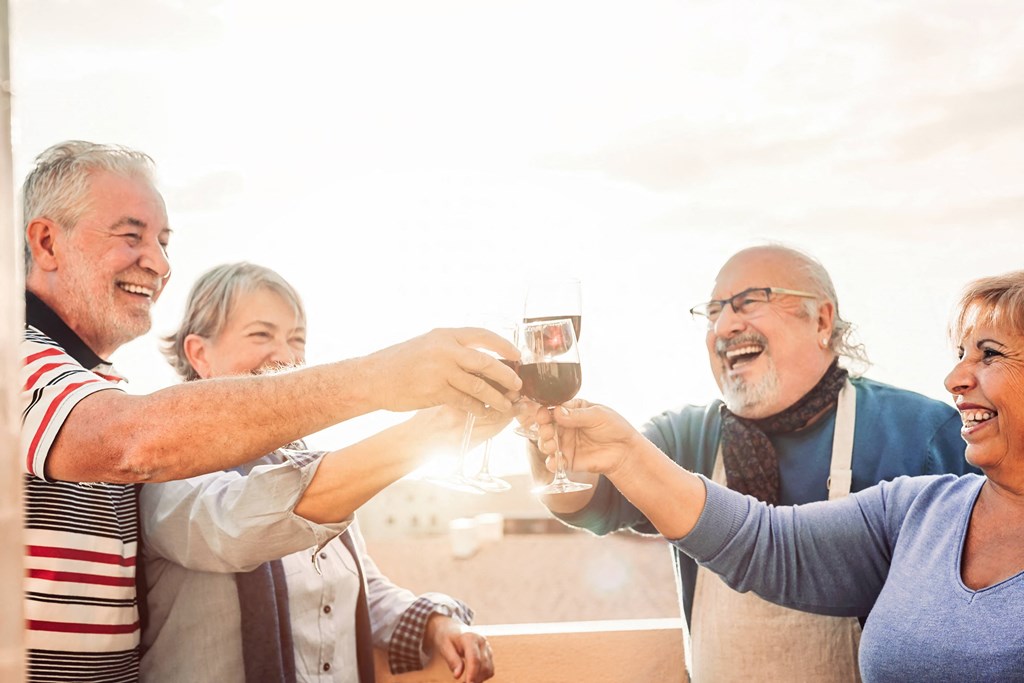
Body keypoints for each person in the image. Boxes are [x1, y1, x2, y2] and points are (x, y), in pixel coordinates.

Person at [20, 141, 519, 681]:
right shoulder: (18, 362)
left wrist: (434, 621)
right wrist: (391, 391)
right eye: (131, 235)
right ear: (47, 242)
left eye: (164, 242)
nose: (160, 263)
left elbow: (355, 587)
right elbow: (176, 477)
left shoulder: (98, 389)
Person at [533, 269, 1024, 681]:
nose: (725, 324)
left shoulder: (920, 428)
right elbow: (762, 544)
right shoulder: (919, 508)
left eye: (749, 302)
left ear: (822, 320)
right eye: (714, 310)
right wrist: (590, 448)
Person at [139, 262, 497, 683]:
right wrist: (424, 435)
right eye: (261, 334)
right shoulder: (169, 465)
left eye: (297, 339)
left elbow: (364, 591)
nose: (287, 356)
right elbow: (239, 526)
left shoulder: (310, 466)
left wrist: (438, 623)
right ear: (200, 354)